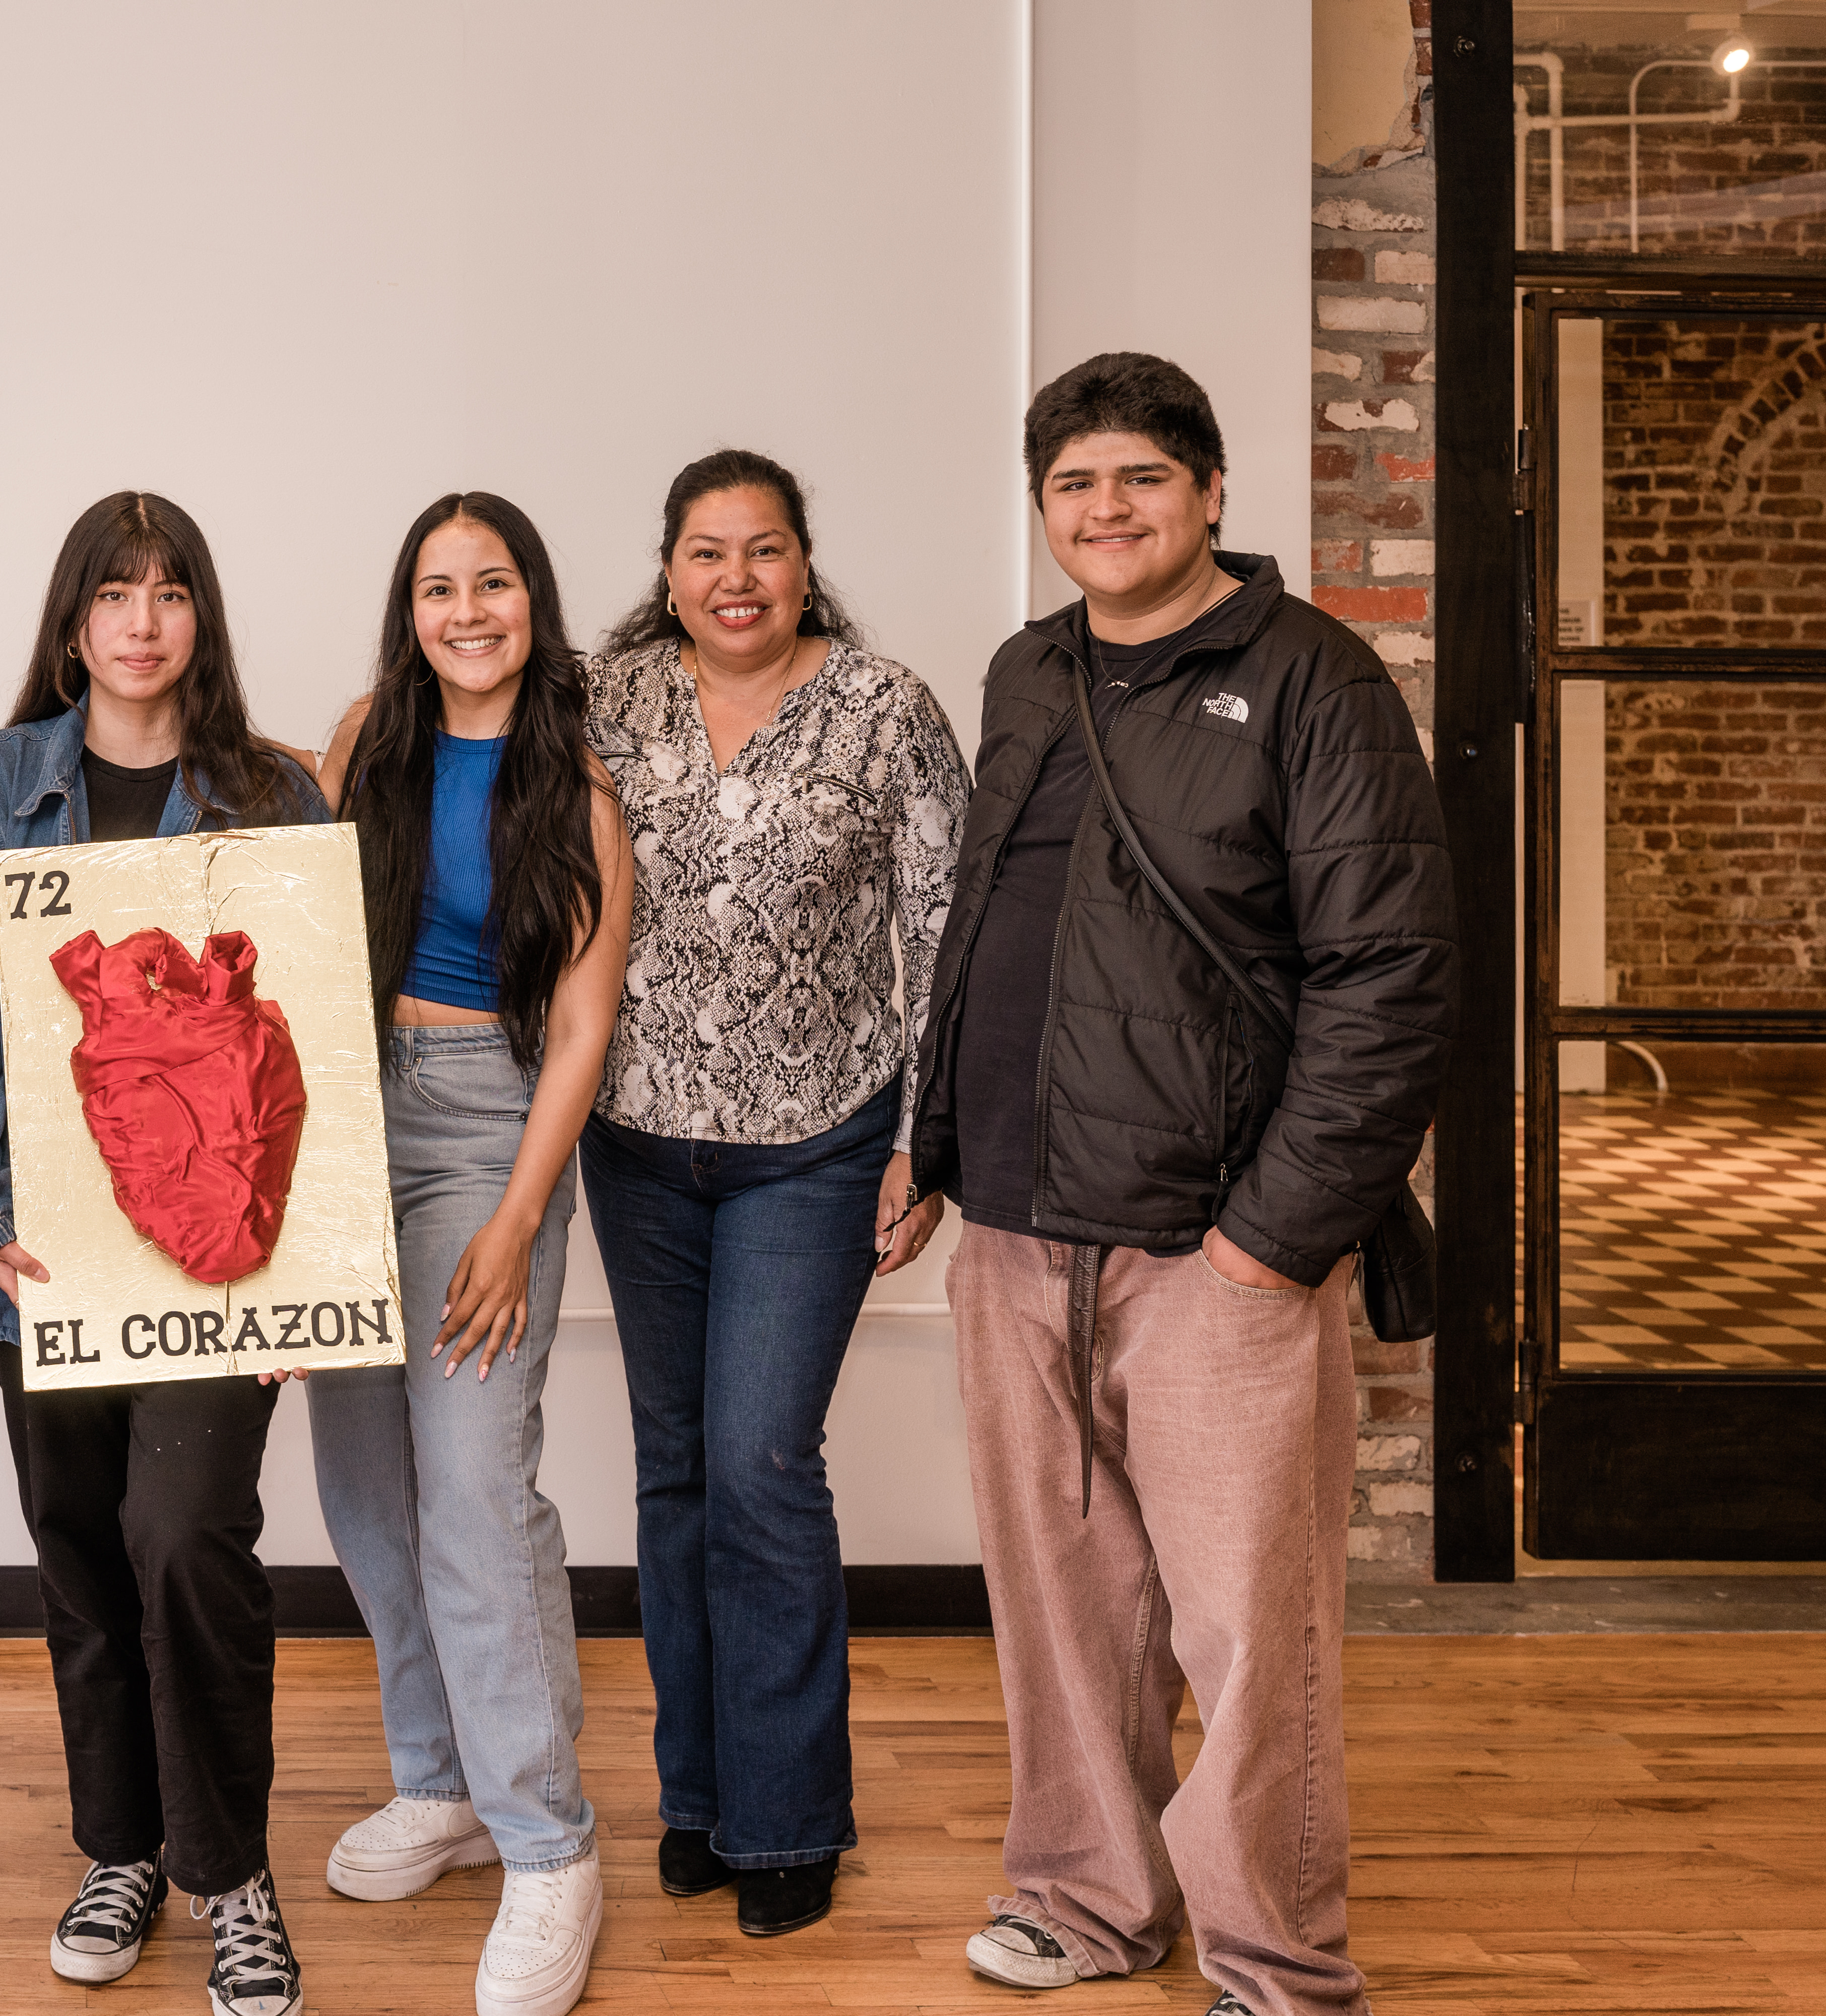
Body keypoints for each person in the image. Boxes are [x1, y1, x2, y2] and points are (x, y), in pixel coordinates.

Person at [915, 355, 1451, 2016]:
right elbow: (983, 933)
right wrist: (931, 1151)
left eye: (1141, 477)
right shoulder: (1026, 671)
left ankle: (1276, 1959)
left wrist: (1269, 1240)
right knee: (1068, 1611)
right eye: (1073, 485)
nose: (1106, 510)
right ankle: (1089, 1900)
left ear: (1211, 492)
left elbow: (1391, 975)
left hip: (1216, 1244)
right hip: (1015, 1227)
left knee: (1245, 1633)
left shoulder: (1313, 679)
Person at [0, 492, 330, 2016]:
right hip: (50, 1253)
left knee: (186, 1532)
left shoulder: (276, 792)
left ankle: (235, 1874)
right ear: (73, 620)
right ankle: (122, 1848)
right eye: (114, 592)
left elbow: (316, 1047)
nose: (143, 619)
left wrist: (312, 1267)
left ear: (202, 616)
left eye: (171, 591)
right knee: (81, 1547)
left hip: (229, 1253)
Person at [578, 448, 968, 1938]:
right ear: (666, 569)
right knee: (674, 1474)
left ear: (807, 563)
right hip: (636, 1139)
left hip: (817, 1142)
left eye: (764, 550)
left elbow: (946, 928)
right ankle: (700, 1800)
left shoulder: (886, 712)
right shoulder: (606, 703)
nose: (734, 579)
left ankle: (791, 1817)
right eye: (704, 553)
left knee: (758, 1466)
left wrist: (927, 1142)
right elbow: (436, 740)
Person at [297, 493, 630, 2016]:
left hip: (493, 1129)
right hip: (354, 1113)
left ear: (532, 599)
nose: (467, 610)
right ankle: (435, 1778)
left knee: (478, 1491)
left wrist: (513, 1218)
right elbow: (296, 940)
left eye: (492, 583)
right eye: (439, 587)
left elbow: (580, 1025)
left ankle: (549, 1844)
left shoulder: (578, 783)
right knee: (366, 1486)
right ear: (410, 609)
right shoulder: (368, 737)